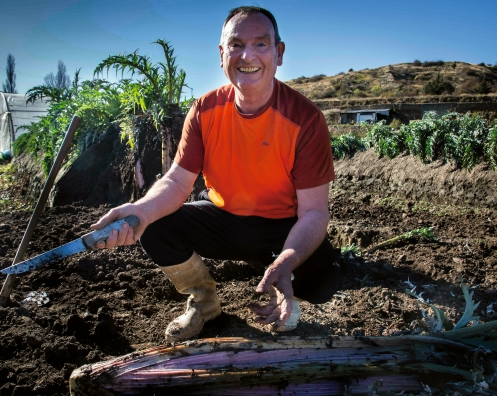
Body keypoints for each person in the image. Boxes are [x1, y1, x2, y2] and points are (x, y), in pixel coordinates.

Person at [91, 6, 340, 343]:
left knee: (323, 282)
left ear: (278, 54)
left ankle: (282, 285)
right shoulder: (205, 110)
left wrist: (288, 261)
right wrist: (141, 210)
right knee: (156, 224)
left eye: (261, 44)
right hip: (224, 219)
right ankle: (204, 303)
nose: (247, 55)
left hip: (282, 227)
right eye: (236, 45)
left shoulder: (305, 119)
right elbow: (179, 182)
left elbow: (313, 211)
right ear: (222, 55)